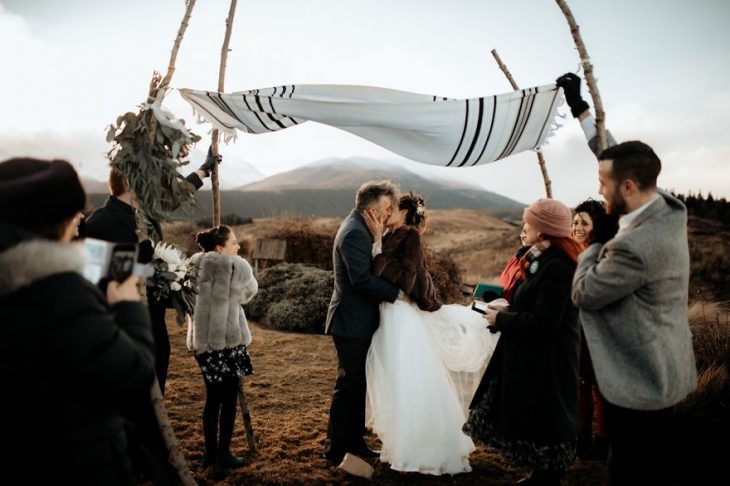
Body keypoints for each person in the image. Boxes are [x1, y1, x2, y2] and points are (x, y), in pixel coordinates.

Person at [558, 72, 698, 486]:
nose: (600, 193)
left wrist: (595, 244)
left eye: (604, 187)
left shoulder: (635, 245)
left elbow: (584, 293)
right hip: (666, 362)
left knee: (633, 469)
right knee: (646, 462)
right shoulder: (665, 205)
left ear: (628, 187)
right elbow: (615, 157)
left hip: (639, 376)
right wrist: (580, 108)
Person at [0, 157, 155, 485]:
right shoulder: (60, 293)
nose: (79, 220)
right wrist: (128, 305)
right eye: (72, 214)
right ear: (50, 222)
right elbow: (131, 374)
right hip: (78, 463)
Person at [365, 193, 499, 475]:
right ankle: (401, 443)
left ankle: (423, 447)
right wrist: (379, 243)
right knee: (396, 378)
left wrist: (377, 252)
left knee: (408, 378)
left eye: (393, 208)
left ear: (404, 212)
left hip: (401, 315)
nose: (387, 211)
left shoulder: (408, 235)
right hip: (391, 312)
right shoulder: (393, 233)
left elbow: (405, 275)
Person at [464, 198, 583, 486]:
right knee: (539, 419)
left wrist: (501, 320)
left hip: (548, 362)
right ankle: (540, 473)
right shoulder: (541, 259)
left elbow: (545, 322)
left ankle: (547, 476)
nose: (523, 226)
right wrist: (507, 311)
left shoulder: (558, 267)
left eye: (528, 221)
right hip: (535, 358)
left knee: (545, 420)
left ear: (542, 229)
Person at [84, 148, 220, 393]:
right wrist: (140, 262)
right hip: (123, 331)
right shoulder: (98, 223)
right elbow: (91, 273)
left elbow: (174, 197)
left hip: (155, 329)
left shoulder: (146, 213)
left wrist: (204, 170)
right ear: (129, 181)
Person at [323, 180, 402, 474]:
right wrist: (398, 294)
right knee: (348, 385)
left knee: (358, 385)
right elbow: (361, 280)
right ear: (371, 209)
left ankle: (355, 442)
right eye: (385, 208)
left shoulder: (362, 227)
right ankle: (336, 449)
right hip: (350, 321)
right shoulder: (355, 233)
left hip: (358, 320)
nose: (387, 213)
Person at [188, 224, 258, 468]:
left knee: (212, 399)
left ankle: (209, 454)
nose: (238, 246)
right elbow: (249, 293)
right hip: (227, 342)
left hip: (203, 343)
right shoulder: (236, 266)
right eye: (234, 243)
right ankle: (224, 454)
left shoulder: (194, 264)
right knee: (228, 400)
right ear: (220, 247)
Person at [571, 199, 617, 459]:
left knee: (599, 385)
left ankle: (603, 440)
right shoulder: (571, 250)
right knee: (581, 382)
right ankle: (581, 436)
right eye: (575, 221)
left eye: (583, 223)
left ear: (596, 227)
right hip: (577, 327)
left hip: (598, 329)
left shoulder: (600, 254)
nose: (577, 227)